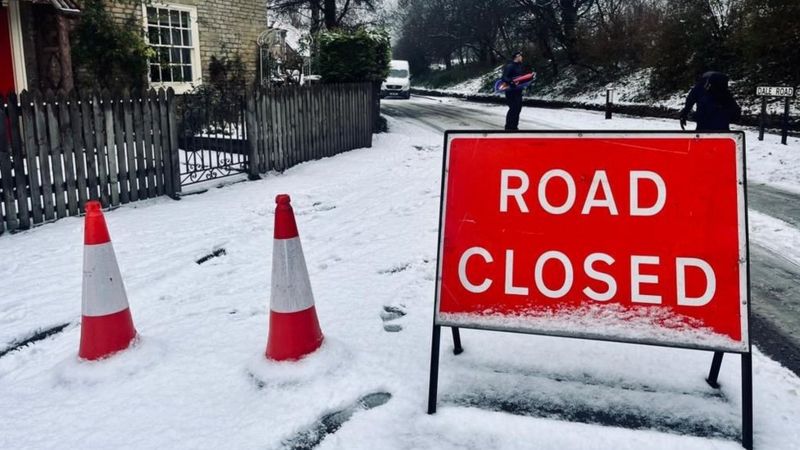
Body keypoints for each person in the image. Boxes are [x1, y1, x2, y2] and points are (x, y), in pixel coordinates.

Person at [502, 51, 526, 130]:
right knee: (513, 108)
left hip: (518, 91)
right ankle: (509, 127)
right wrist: (511, 82)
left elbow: (520, 78)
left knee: (518, 108)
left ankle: (515, 127)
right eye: (521, 56)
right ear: (517, 56)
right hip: (510, 91)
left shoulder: (519, 66)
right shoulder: (510, 66)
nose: (522, 58)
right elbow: (504, 77)